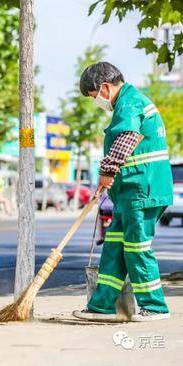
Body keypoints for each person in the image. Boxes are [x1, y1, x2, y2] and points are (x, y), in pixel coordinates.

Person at [73, 62, 173, 322]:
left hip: (141, 191)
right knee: (115, 247)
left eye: (94, 97)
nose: (97, 102)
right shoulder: (130, 102)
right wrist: (108, 178)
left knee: (137, 248)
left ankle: (155, 307)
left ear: (104, 88)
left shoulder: (129, 103)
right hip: (129, 193)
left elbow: (127, 137)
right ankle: (102, 305)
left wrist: (107, 171)